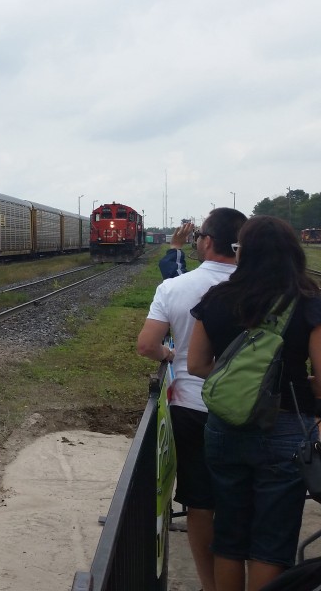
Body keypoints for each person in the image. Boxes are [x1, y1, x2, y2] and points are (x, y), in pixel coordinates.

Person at [188, 215, 321, 591]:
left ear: (242, 253)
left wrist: (240, 386)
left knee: (229, 535)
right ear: (291, 253)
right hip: (285, 429)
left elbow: (197, 365)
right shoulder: (307, 301)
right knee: (271, 543)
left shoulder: (216, 298)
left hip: (225, 427)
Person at [137, 207, 246, 591]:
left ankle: (211, 584)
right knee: (244, 500)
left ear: (207, 242)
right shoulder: (264, 286)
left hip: (193, 407)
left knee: (201, 503)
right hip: (255, 411)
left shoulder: (175, 288)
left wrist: (171, 356)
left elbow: (148, 345)